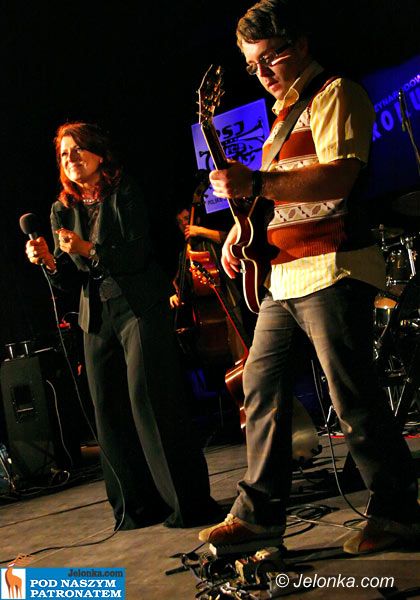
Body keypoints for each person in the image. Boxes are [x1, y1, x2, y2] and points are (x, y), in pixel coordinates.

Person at [199, 0, 420, 554]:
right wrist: (236, 234)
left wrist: (255, 183)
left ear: (299, 44)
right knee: (261, 387)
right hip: (284, 274)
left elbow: (339, 178)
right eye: (253, 65)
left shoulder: (336, 93)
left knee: (351, 396)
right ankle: (258, 516)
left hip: (332, 264)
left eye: (270, 57)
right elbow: (275, 200)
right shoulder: (280, 118)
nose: (262, 72)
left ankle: (397, 512)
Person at [25, 121, 221, 530]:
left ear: (99, 153)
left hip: (138, 306)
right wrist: (49, 260)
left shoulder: (126, 191)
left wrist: (87, 248)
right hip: (96, 315)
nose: (70, 159)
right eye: (63, 155)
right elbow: (69, 278)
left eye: (77, 150)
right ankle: (136, 508)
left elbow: (136, 254)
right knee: (108, 410)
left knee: (151, 401)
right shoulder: (62, 209)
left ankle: (187, 504)